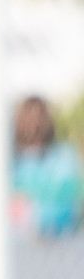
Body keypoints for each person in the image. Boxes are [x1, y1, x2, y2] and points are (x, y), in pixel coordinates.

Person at [12, 95, 82, 236]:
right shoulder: (15, 162)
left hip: (61, 241)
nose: (35, 124)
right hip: (25, 242)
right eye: (29, 117)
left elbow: (72, 203)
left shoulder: (64, 155)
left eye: (39, 117)